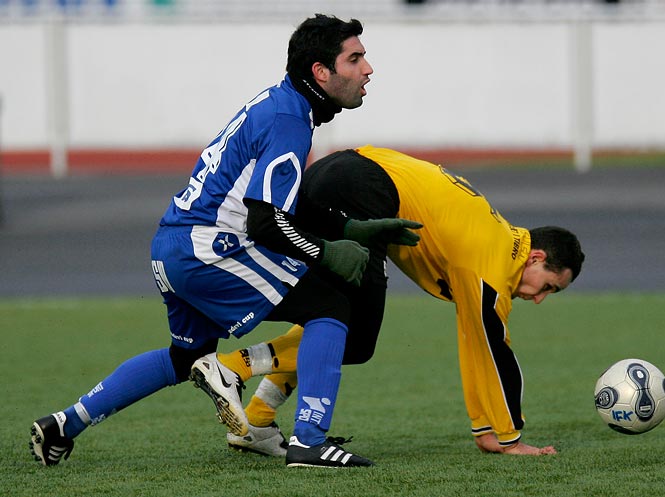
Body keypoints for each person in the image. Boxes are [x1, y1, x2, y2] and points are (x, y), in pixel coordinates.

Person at [30, 15, 422, 469]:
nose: (367, 68)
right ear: (320, 71)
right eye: (355, 58)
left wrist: (350, 229)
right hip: (210, 249)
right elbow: (265, 222)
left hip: (171, 247)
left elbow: (276, 203)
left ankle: (64, 424)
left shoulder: (280, 103)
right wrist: (327, 251)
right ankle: (309, 442)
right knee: (331, 305)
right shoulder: (289, 119)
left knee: (185, 357)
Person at [213, 145, 585, 458]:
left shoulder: (496, 241)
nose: (539, 298)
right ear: (535, 258)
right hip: (360, 189)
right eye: (550, 286)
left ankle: (257, 419)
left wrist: (486, 430)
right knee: (356, 339)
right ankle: (232, 367)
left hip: (336, 172)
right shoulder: (493, 263)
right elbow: (493, 352)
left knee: (330, 316)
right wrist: (511, 440)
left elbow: (474, 340)